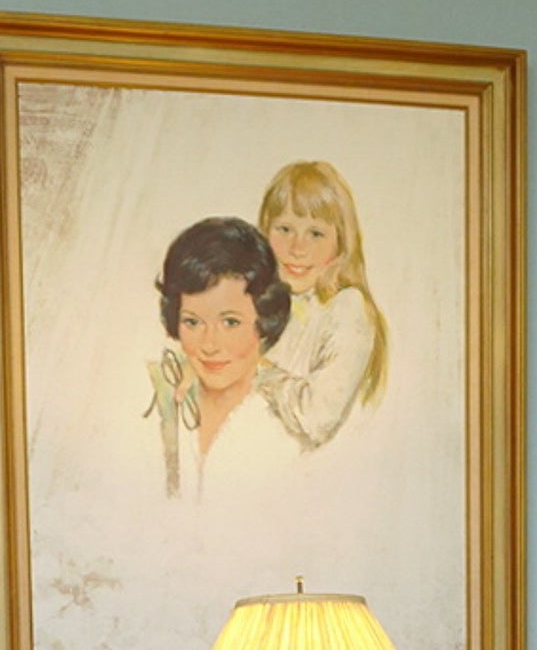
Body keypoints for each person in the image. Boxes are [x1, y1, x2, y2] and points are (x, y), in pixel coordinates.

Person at [145, 216, 297, 505]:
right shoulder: (157, 407)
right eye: (192, 322)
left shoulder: (289, 423)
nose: (209, 345)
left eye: (230, 322)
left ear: (265, 319)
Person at [254, 159, 389, 451]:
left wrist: (258, 370)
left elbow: (318, 418)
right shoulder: (263, 303)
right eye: (285, 229)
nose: (297, 248)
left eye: (315, 233)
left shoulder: (347, 308)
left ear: (341, 244)